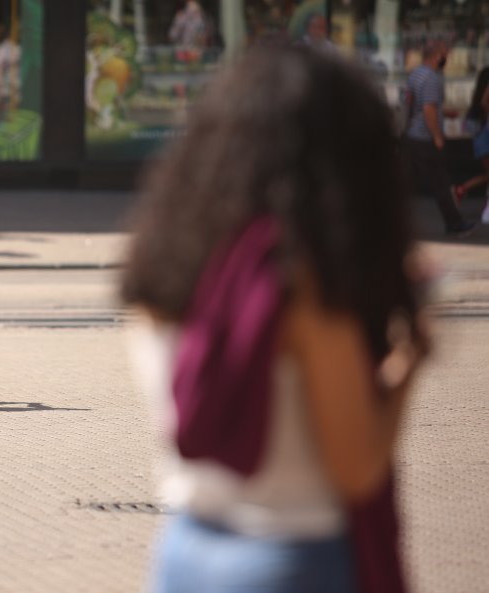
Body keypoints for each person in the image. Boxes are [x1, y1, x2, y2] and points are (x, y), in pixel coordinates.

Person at [123, 46, 430, 593]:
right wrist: (410, 357)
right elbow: (358, 467)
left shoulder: (163, 264)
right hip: (293, 560)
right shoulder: (297, 283)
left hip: (183, 554)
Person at [402, 39, 474, 237]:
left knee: (408, 181)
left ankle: (389, 220)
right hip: (426, 139)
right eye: (445, 55)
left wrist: (444, 113)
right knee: (440, 183)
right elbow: (428, 109)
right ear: (436, 56)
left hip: (413, 136)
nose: (447, 58)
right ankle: (455, 224)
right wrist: (437, 136)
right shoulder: (431, 78)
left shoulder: (416, 74)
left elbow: (416, 104)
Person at [453, 66, 489, 223]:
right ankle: (461, 189)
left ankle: (461, 189)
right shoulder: (483, 103)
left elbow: (469, 126)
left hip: (480, 138)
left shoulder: (477, 100)